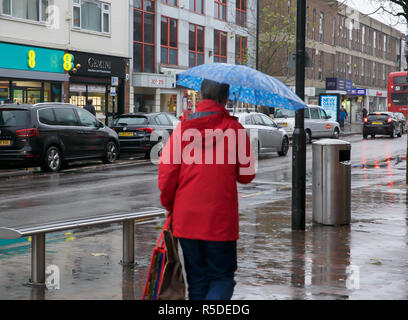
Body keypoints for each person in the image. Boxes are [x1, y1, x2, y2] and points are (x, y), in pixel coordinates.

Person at [158, 79, 256, 300]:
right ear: (225, 98)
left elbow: (166, 172)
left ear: (201, 95)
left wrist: (168, 204)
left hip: (187, 218)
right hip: (220, 220)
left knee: (197, 281)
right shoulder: (234, 129)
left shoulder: (182, 127)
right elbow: (247, 175)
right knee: (221, 278)